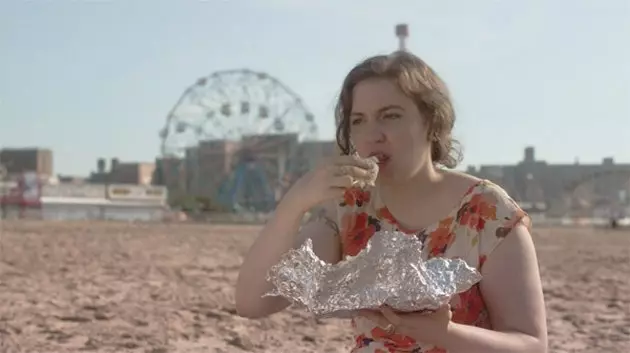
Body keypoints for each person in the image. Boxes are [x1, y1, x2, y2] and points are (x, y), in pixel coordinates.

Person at [235, 51, 548, 353]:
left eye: (390, 116)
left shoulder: (486, 211)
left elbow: (531, 344)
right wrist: (293, 204)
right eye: (358, 121)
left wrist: (445, 334)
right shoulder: (351, 209)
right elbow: (253, 303)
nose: (372, 134)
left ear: (431, 122)